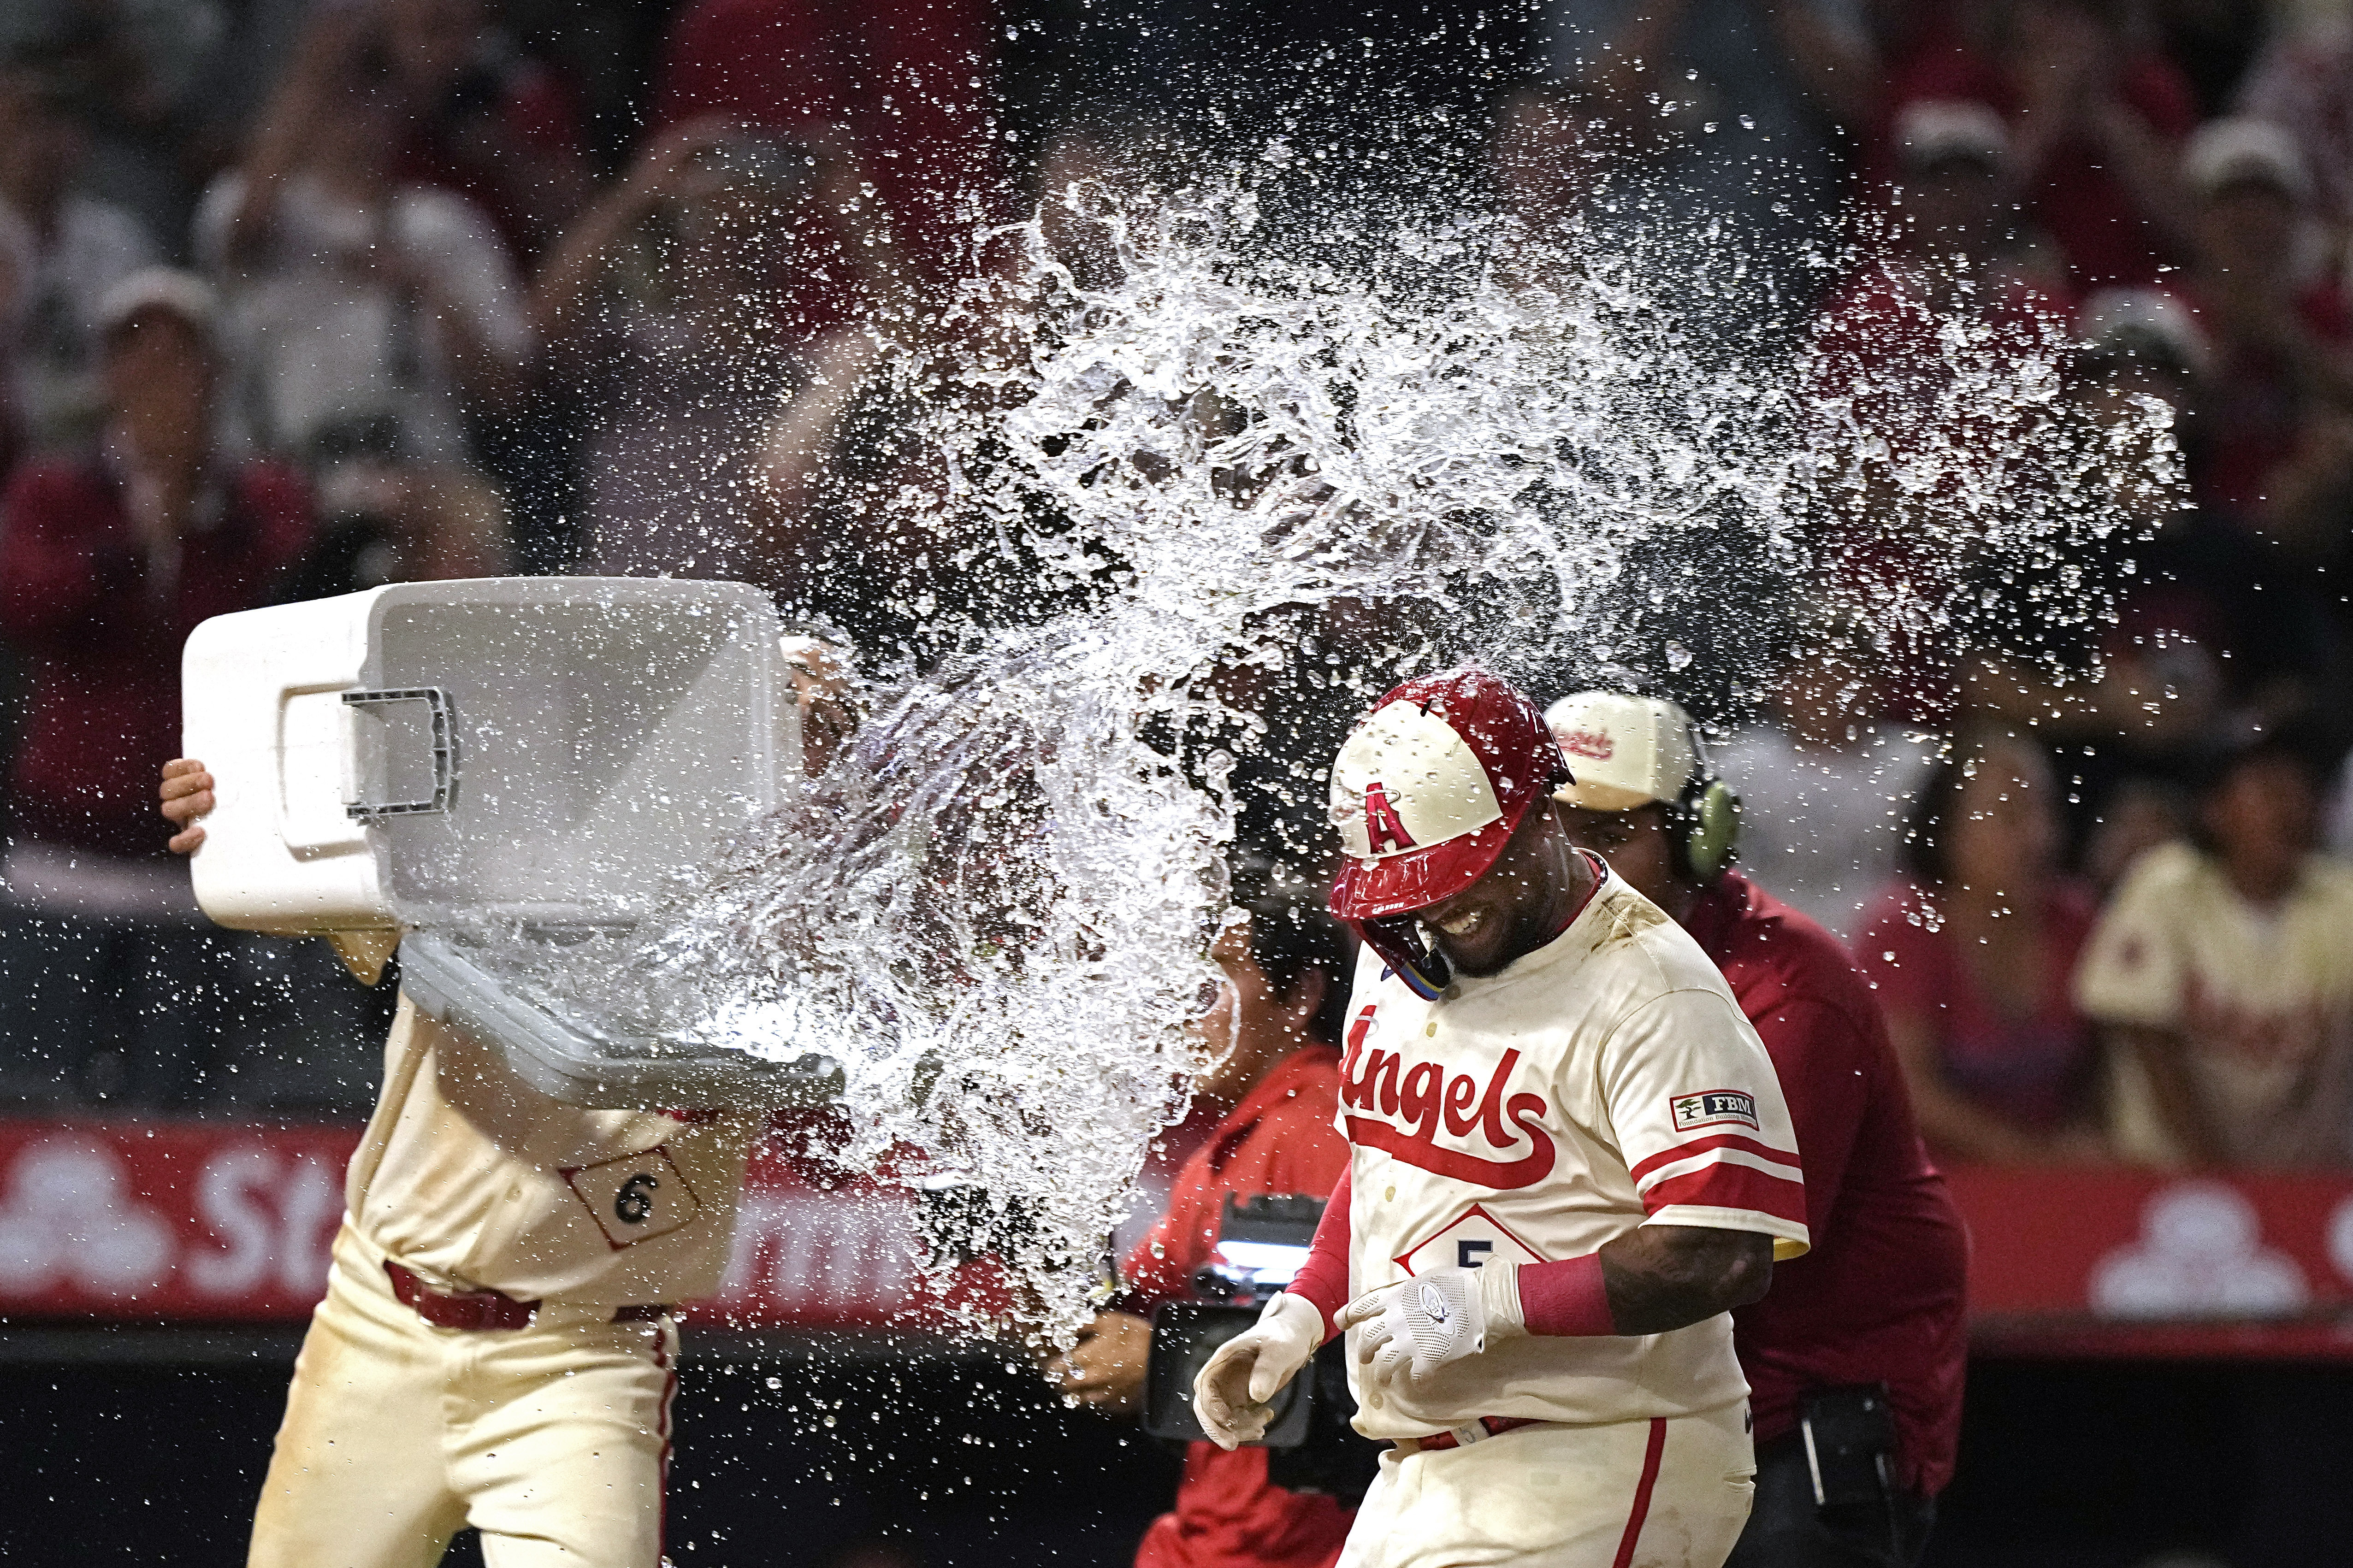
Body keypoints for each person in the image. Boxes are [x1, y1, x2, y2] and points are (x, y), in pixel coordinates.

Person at [156, 644, 857, 1568]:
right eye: (763, 718)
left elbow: (840, 1151)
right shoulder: (501, 841)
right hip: (383, 1318)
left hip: (580, 1365)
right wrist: (226, 807)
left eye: (818, 733)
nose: (786, 750)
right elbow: (290, 870)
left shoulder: (827, 941)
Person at [1194, 668, 1809, 1568]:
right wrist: (1296, 1320)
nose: (1437, 905)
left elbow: (1718, 1250)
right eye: (1406, 887)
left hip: (1600, 1451)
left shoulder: (1652, 987)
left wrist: (1486, 1304)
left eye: (1458, 872)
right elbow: (1382, 1171)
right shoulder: (1395, 946)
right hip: (1419, 1470)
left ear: (1539, 815)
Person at [1543, 690, 1969, 1567]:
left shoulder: (1787, 985)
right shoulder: (1550, 966)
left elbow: (1710, 1250)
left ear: (1698, 836)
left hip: (1797, 1414)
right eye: (1557, 832)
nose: (1578, 867)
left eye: (1611, 833)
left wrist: (1469, 1302)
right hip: (1655, 1402)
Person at [0, 268, 311, 1106]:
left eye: (180, 360)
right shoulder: (58, 492)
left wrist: (190, 519)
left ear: (215, 377)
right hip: (64, 857)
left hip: (198, 863)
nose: (157, 381)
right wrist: (138, 539)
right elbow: (26, 599)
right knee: (35, 1104)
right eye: (136, 358)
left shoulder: (259, 502)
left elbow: (278, 617)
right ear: (106, 377)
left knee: (180, 1116)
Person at [1039, 870, 1355, 1568]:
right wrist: (1021, 1244)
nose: (1183, 1013)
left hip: (1300, 1553)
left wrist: (1158, 1365)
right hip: (1217, 1545)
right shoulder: (1231, 1146)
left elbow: (1353, 1365)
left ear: (1301, 994)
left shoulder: (1315, 1128)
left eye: (1211, 982)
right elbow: (1108, 1331)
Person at [2076, 727, 2353, 1169]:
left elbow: (2340, 1054)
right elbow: (2145, 1034)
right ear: (2215, 810)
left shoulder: (2341, 900)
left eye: (2303, 789)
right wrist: (2216, 1170)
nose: (2293, 806)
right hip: (2162, 1171)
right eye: (2270, 789)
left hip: (2301, 1172)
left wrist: (2305, 1177)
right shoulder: (2164, 885)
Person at [1856, 729, 2108, 1164]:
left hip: (2053, 1183)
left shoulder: (2078, 921)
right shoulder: (1901, 928)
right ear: (1948, 832)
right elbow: (1907, 1090)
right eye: (2011, 816)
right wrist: (2033, 1159)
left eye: (2045, 811)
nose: (2041, 836)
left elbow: (2105, 1078)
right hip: (1921, 1187)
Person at [0, 66, 162, 459]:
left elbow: (153, 353)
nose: (41, 144)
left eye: (57, 124)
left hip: (103, 449)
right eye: (26, 125)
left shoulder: (117, 237)